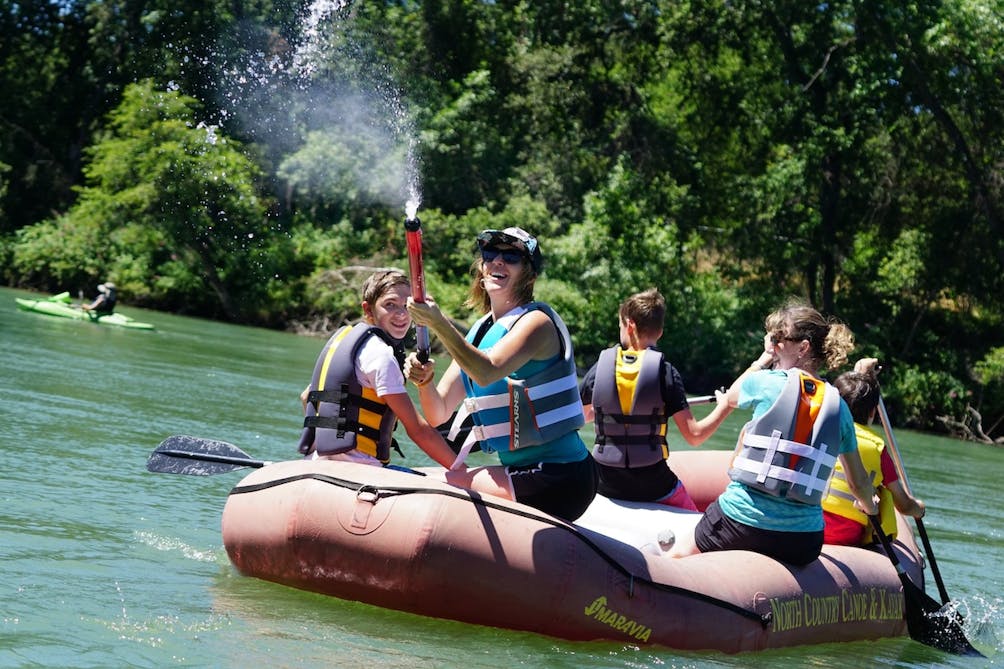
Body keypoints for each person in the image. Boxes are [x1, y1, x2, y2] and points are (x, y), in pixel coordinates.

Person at [404, 227, 598, 522]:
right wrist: (425, 381)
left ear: (529, 275)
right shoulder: (481, 330)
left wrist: (438, 323)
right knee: (439, 478)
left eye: (511, 257)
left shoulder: (537, 324)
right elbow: (438, 411)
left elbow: (486, 371)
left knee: (445, 486)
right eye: (490, 254)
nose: (498, 261)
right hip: (522, 473)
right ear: (481, 267)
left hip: (563, 474)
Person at [669, 299, 879, 566]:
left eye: (779, 339)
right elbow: (858, 484)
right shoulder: (840, 408)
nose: (772, 344)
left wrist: (763, 359)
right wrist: (870, 509)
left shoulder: (766, 383)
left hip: (741, 522)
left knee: (676, 556)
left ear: (803, 348)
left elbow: (731, 396)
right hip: (802, 542)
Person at [579, 288, 731, 510]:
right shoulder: (666, 373)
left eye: (620, 325)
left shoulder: (599, 369)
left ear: (629, 325)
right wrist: (724, 406)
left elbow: (581, 418)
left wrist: (611, 416)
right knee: (696, 520)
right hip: (654, 485)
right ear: (659, 332)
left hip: (605, 483)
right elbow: (695, 436)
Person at [298, 269, 458, 470]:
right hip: (359, 467)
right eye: (389, 305)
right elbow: (418, 431)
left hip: (317, 460)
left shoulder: (346, 340)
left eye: (406, 306)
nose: (401, 314)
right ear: (368, 310)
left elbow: (307, 397)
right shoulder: (380, 354)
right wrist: (461, 470)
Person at [822, 358, 925, 545]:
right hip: (845, 534)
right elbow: (902, 504)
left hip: (806, 521)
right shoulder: (876, 447)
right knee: (884, 494)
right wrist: (919, 509)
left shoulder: (819, 428)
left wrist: (861, 374)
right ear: (872, 413)